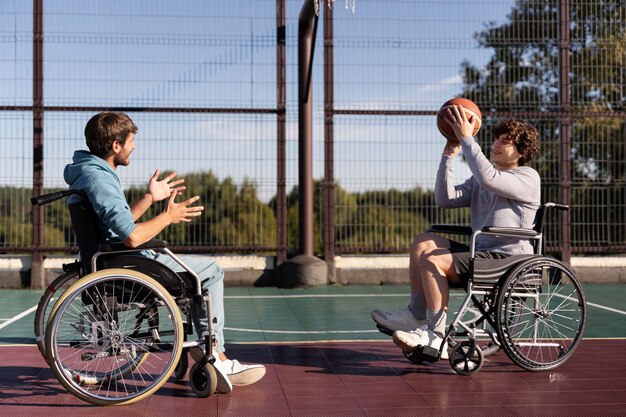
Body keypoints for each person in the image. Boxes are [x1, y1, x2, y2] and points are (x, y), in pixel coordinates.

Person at [64, 111, 265, 393]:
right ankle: (215, 354)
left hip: (114, 257)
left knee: (196, 272)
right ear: (116, 146)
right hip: (126, 263)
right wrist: (169, 216)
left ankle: (202, 349)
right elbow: (133, 237)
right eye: (131, 141)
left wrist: (150, 197)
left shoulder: (89, 172)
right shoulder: (99, 179)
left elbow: (118, 226)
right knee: (211, 272)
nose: (134, 146)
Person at [371, 105, 541, 357]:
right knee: (423, 241)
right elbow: (445, 198)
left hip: (508, 260)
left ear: (521, 152)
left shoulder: (527, 176)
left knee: (432, 259)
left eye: (505, 142)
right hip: (481, 254)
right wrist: (448, 156)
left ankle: (436, 335)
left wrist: (466, 138)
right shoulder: (483, 179)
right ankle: (415, 316)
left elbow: (488, 179)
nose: (496, 144)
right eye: (496, 139)